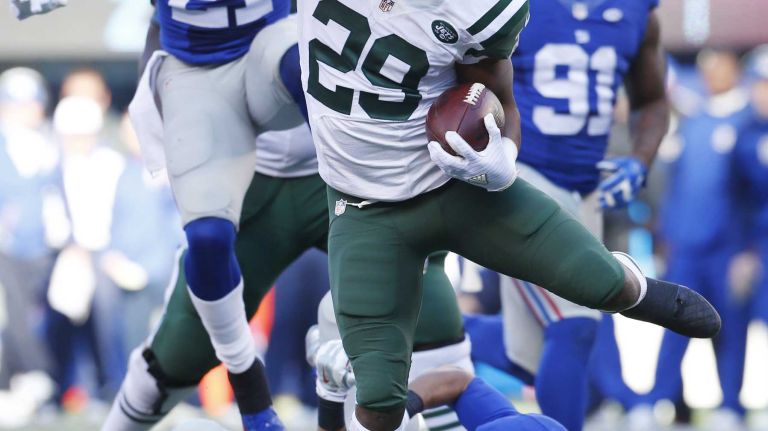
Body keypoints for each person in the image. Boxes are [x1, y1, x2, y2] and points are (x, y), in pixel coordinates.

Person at [296, 0, 719, 429]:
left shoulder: (483, 9)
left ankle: (628, 286)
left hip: (460, 184)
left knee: (602, 292)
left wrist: (504, 159)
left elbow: (499, 99)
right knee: (378, 408)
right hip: (366, 207)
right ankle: (334, 387)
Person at [463, 0, 669, 429]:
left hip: (588, 191)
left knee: (532, 358)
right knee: (576, 328)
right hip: (524, 178)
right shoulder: (517, 7)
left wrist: (639, 160)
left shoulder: (638, 12)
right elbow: (470, 86)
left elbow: (652, 101)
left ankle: (431, 330)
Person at [124, 0, 306, 428]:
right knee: (170, 360)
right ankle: (248, 387)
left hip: (322, 167)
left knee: (407, 331)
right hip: (237, 160)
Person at [628, 49, 752, 431]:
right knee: (674, 325)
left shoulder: (750, 122)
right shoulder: (694, 122)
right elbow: (675, 186)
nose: (713, 74)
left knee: (731, 328)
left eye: (720, 65)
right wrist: (666, 235)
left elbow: (752, 195)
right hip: (686, 246)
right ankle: (655, 402)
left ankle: (730, 404)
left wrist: (749, 249)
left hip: (728, 247)